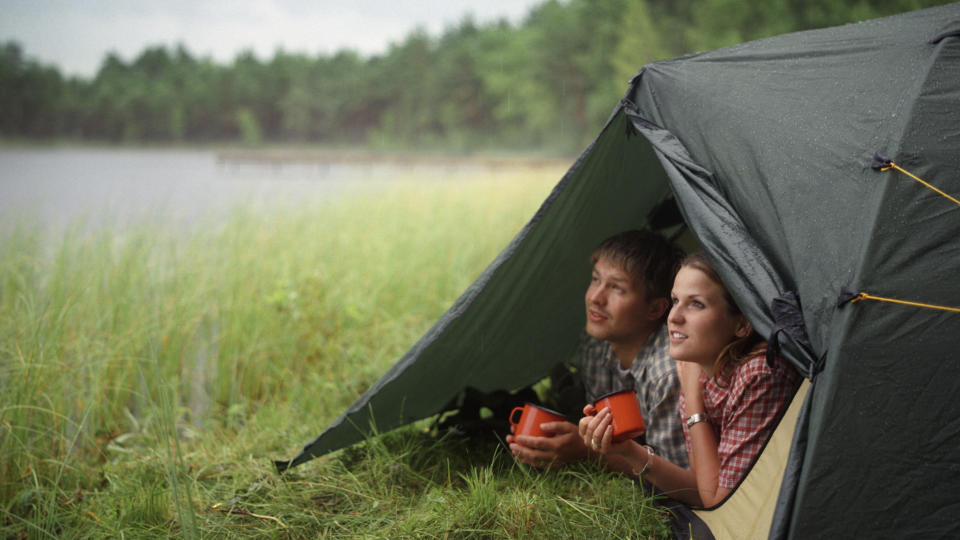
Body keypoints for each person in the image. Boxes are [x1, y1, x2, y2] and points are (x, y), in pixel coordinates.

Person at [578, 252, 800, 506]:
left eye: (696, 304)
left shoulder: (760, 374)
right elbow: (699, 487)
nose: (674, 317)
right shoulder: (701, 369)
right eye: (675, 300)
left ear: (742, 324)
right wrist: (628, 450)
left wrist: (693, 403)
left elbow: (716, 500)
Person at [507, 230, 689, 473]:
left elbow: (676, 475)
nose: (595, 298)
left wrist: (588, 453)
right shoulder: (596, 345)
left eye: (617, 288)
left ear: (655, 308)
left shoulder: (668, 372)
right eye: (595, 279)